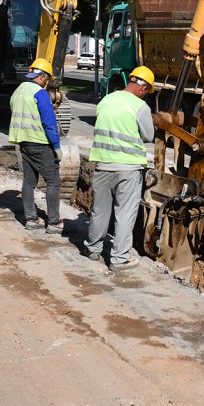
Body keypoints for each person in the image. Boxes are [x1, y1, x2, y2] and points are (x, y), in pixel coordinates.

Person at [83, 66, 156, 273]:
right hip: (128, 168)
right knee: (124, 214)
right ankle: (119, 259)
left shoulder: (106, 100)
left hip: (102, 164)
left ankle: (93, 249)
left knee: (100, 210)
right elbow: (149, 136)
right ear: (143, 89)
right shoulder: (140, 107)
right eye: (147, 92)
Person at [8, 58, 63, 233]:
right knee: (53, 181)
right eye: (47, 79)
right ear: (42, 77)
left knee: (29, 181)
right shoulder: (40, 93)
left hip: (23, 142)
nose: (46, 83)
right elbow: (49, 122)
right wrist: (56, 145)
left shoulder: (18, 91)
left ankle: (31, 219)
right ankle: (54, 222)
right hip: (39, 143)